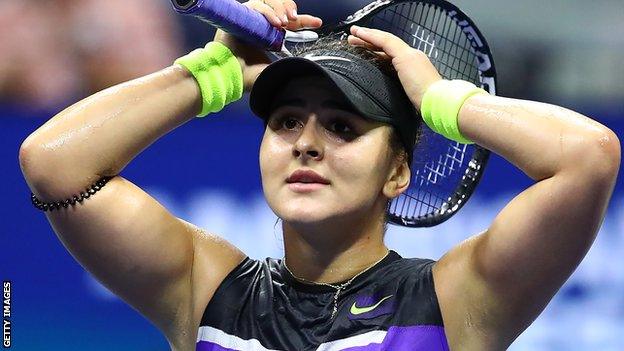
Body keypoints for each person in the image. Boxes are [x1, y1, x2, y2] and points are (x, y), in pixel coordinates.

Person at [18, 0, 620, 350]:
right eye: (284, 121)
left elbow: (588, 156)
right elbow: (52, 164)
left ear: (398, 172)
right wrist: (213, 70)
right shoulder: (202, 287)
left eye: (343, 127)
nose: (306, 143)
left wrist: (440, 99)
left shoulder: (457, 298)